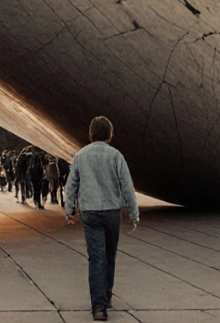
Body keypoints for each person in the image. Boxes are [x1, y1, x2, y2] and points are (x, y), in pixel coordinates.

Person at [64, 116, 139, 322]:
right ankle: (106, 296)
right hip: (112, 211)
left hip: (89, 212)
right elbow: (127, 186)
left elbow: (71, 185)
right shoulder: (116, 156)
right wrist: (133, 213)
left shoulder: (80, 156)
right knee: (110, 256)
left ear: (91, 133)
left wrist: (69, 210)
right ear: (109, 133)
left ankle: (98, 307)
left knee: (95, 258)